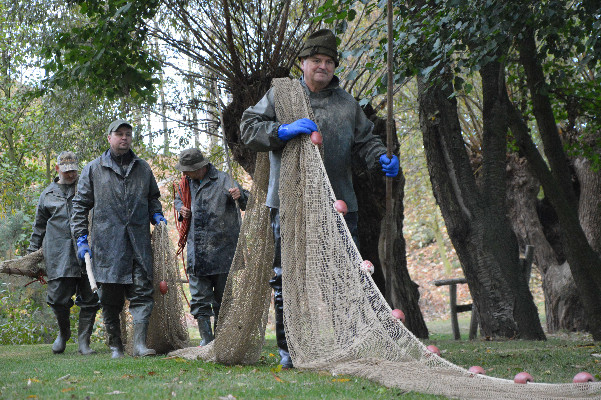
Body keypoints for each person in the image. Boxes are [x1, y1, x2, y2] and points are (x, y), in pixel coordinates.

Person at [240, 29, 399, 368]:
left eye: (329, 62)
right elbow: (248, 128)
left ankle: (347, 345)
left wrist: (380, 157)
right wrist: (279, 132)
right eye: (316, 60)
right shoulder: (281, 95)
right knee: (287, 277)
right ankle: (289, 350)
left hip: (341, 204)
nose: (323, 67)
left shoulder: (347, 103)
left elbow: (365, 142)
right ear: (302, 63)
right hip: (289, 202)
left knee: (348, 277)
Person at [70, 119, 167, 358]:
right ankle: (116, 346)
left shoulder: (143, 168)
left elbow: (153, 197)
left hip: (138, 244)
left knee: (142, 292)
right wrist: (81, 239)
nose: (124, 138)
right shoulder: (93, 168)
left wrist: (157, 215)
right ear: (109, 138)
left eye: (128, 134)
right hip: (107, 246)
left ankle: (140, 345)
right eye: (119, 134)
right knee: (109, 299)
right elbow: (80, 206)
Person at [174, 148, 248, 346]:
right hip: (196, 253)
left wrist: (240, 196)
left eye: (189, 170)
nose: (185, 174)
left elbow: (247, 203)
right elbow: (178, 201)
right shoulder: (185, 184)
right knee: (199, 299)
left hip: (223, 251)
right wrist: (181, 210)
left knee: (223, 300)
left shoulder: (225, 180)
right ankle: (206, 340)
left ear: (201, 167)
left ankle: (222, 340)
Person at [28, 151, 100, 355]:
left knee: (90, 298)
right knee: (57, 298)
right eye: (66, 171)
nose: (70, 175)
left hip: (88, 252)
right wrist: (31, 254)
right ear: (58, 169)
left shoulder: (87, 189)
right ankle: (64, 333)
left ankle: (84, 343)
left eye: (74, 171)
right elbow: (39, 227)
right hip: (58, 255)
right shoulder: (47, 194)